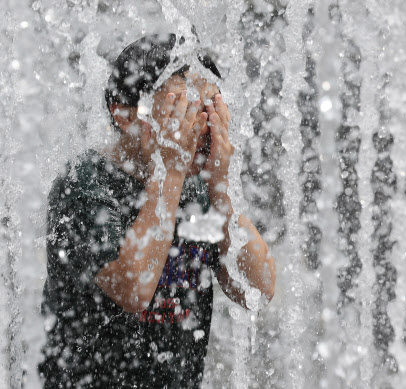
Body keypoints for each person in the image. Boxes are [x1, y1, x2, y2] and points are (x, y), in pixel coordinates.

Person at [39, 33, 276, 388]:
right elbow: (131, 289)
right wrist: (172, 171)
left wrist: (222, 188)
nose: (196, 125)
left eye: (207, 107)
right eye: (180, 109)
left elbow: (258, 289)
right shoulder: (85, 186)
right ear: (122, 112)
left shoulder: (198, 192)